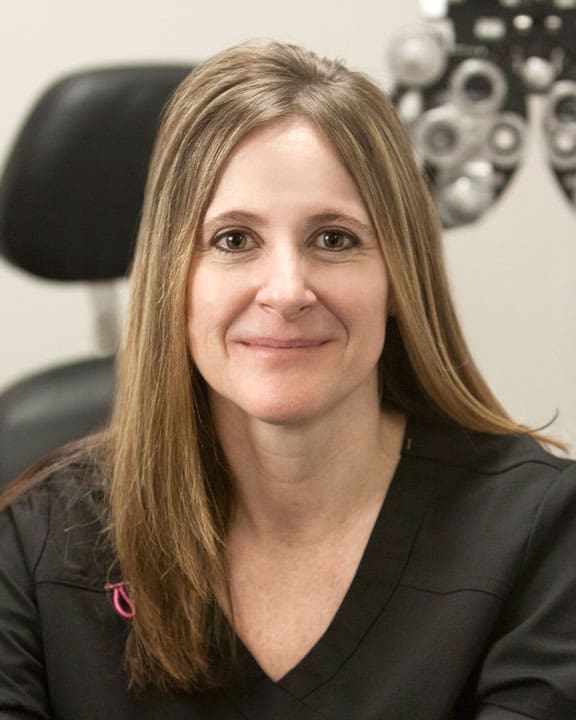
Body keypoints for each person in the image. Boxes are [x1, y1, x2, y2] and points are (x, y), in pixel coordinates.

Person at [1, 41, 576, 720]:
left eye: (333, 239)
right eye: (234, 240)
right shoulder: (38, 542)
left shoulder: (540, 534)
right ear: (172, 279)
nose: (287, 290)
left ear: (399, 276)